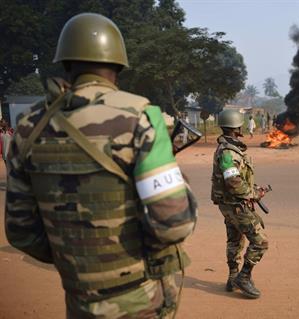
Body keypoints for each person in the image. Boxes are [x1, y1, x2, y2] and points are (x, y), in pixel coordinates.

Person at [5, 13, 197, 319]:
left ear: (66, 62)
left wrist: (80, 263)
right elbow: (174, 223)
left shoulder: (29, 126)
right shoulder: (142, 117)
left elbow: (20, 231)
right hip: (140, 300)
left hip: (78, 300)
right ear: (118, 65)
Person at [211, 109, 268, 299]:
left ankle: (232, 277)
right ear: (236, 127)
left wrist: (254, 189)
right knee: (260, 241)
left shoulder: (229, 148)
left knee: (234, 241)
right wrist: (252, 194)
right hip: (235, 205)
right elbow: (232, 181)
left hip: (230, 204)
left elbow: (237, 177)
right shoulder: (228, 152)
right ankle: (243, 277)